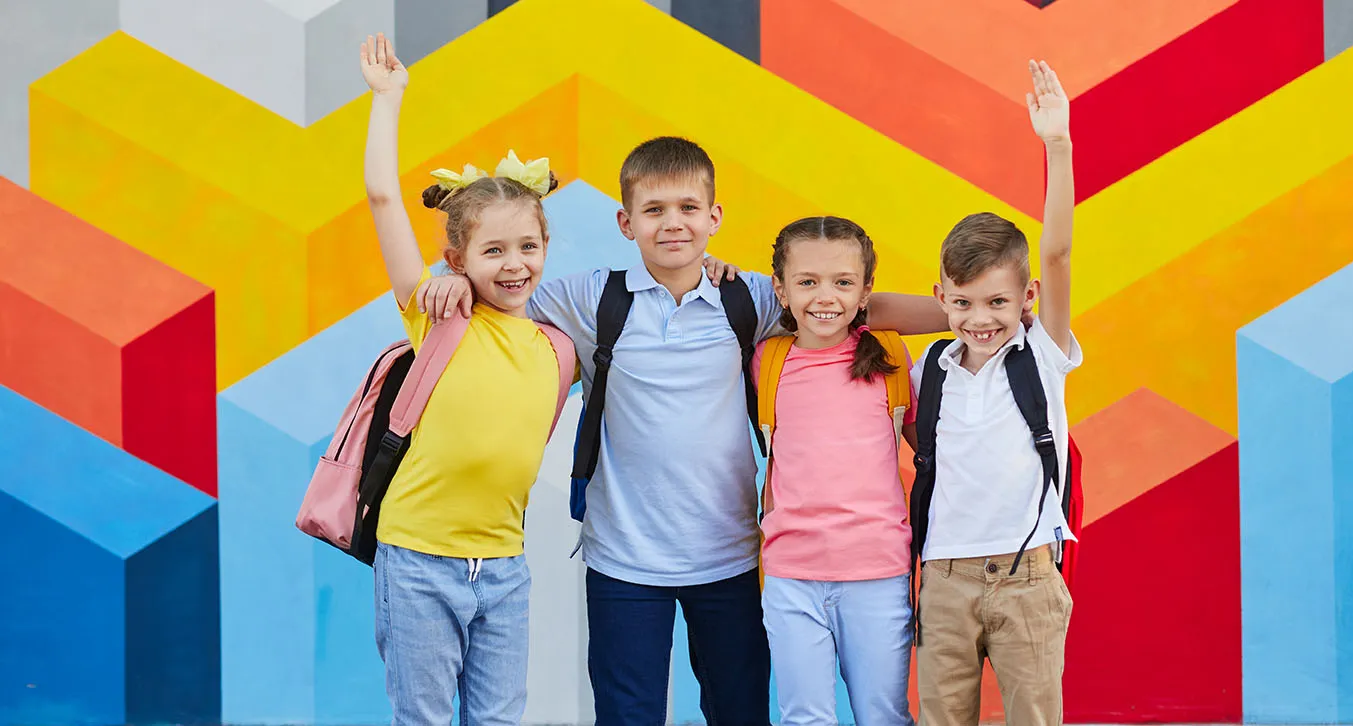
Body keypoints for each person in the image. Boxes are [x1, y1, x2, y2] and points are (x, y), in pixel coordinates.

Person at [415, 136, 947, 724]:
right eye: (654, 210)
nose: (673, 224)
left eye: (689, 209)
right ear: (625, 222)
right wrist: (457, 282)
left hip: (732, 557)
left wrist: (970, 310)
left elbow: (854, 307)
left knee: (739, 711)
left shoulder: (748, 296)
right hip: (622, 560)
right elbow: (504, 296)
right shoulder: (592, 299)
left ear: (714, 217)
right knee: (627, 714)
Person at [359, 32, 569, 725]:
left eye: (528, 247)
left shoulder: (556, 346)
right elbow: (383, 198)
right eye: (493, 250)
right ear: (457, 257)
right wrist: (388, 100)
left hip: (505, 569)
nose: (515, 264)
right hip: (419, 561)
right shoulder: (439, 316)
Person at [910, 60, 1079, 726]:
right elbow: (855, 307)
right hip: (943, 582)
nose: (980, 319)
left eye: (998, 302)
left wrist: (1057, 146)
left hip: (1026, 580)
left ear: (1028, 298)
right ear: (940, 298)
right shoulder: (930, 367)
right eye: (962, 302)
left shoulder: (1040, 354)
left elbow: (1058, 253)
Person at [754, 215, 917, 725]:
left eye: (843, 282)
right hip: (790, 575)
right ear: (779, 289)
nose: (825, 296)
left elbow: (933, 450)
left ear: (867, 290)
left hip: (878, 573)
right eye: (807, 282)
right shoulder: (766, 361)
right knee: (805, 717)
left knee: (883, 715)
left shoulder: (890, 356)